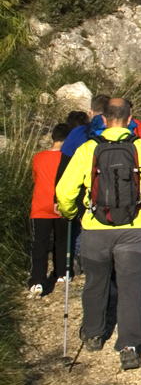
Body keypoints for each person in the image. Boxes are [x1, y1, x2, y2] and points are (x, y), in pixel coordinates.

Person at [56, 98, 141, 371]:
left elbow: (64, 191)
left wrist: (71, 212)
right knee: (130, 286)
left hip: (95, 228)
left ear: (103, 119)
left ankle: (93, 334)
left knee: (96, 281)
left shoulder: (88, 149)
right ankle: (130, 347)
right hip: (134, 227)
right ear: (130, 119)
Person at [30, 124, 71, 297]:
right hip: (61, 204)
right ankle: (61, 272)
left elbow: (36, 178)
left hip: (40, 205)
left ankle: (37, 280)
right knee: (61, 240)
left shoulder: (38, 157)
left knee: (40, 243)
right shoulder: (68, 158)